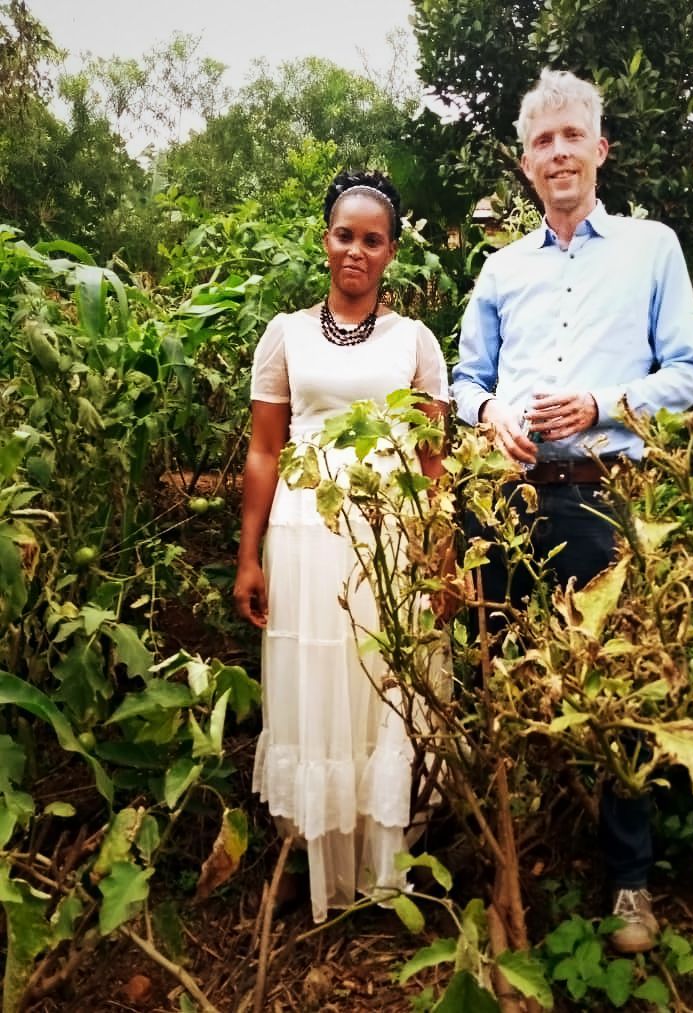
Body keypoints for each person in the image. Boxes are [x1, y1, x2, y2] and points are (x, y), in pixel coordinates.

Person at [452, 68, 693, 953]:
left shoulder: (652, 247)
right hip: (504, 498)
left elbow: (691, 374)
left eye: (573, 136)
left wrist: (601, 405)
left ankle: (630, 883)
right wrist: (489, 416)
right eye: (542, 141)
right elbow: (463, 382)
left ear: (601, 150)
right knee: (492, 674)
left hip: (600, 495)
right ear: (526, 163)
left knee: (612, 681)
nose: (559, 152)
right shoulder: (498, 268)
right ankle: (503, 865)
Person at [234, 170, 449, 924]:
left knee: (381, 684)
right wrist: (248, 555)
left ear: (390, 252)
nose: (355, 250)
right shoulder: (285, 335)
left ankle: (385, 867)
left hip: (387, 536)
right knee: (309, 690)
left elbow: (432, 459)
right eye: (343, 235)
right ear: (325, 240)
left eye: (373, 239)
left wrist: (440, 552)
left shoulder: (415, 343)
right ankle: (304, 853)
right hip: (304, 536)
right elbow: (265, 450)